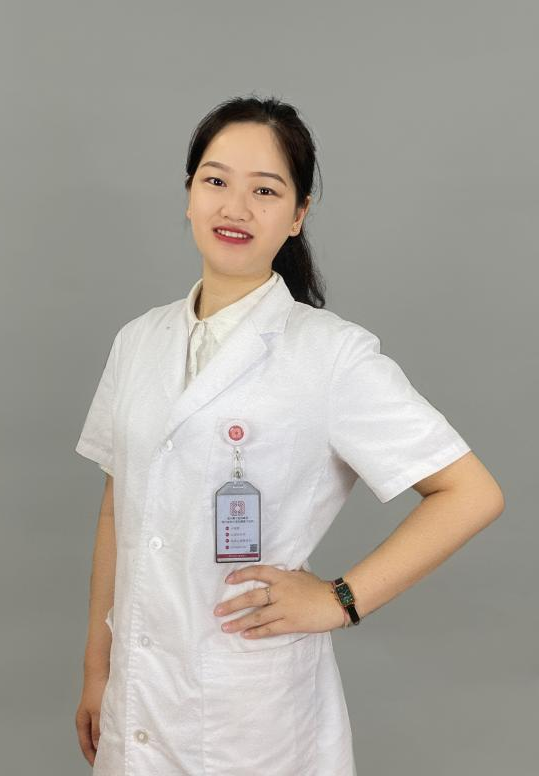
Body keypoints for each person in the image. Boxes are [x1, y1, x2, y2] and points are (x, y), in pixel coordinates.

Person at [74, 95, 505, 776]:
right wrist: (98, 670)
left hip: (253, 713)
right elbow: (116, 510)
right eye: (215, 181)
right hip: (138, 700)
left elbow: (470, 493)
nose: (235, 208)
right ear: (189, 194)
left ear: (299, 214)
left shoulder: (330, 355)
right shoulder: (137, 342)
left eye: (265, 190)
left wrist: (339, 600)